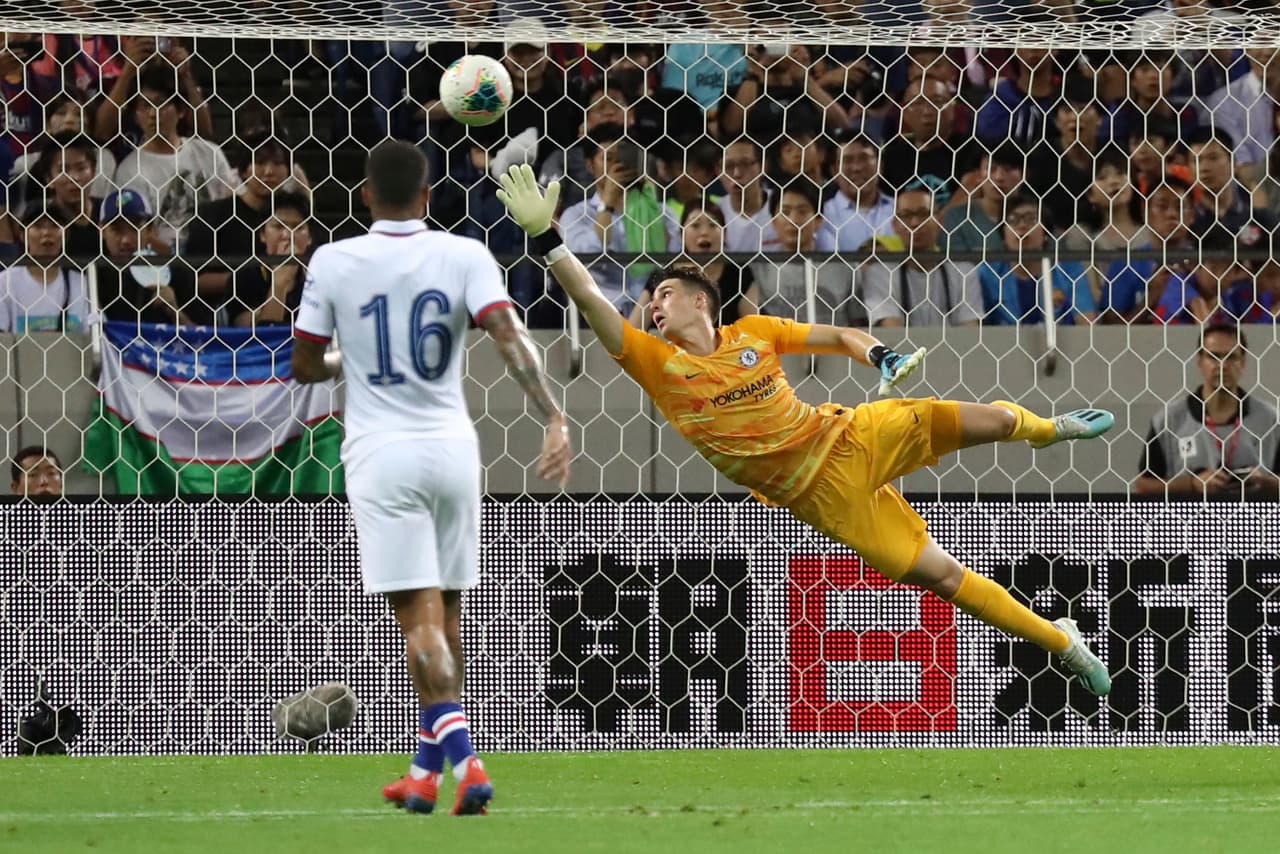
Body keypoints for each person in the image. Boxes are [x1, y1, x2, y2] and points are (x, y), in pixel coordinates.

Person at [498, 161, 1116, 700]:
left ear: (700, 301)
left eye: (662, 294)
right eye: (651, 301)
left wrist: (882, 357)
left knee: (994, 421)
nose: (652, 307)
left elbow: (843, 335)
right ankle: (1063, 642)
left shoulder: (756, 333)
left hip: (849, 435)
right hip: (827, 499)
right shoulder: (659, 366)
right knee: (947, 579)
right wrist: (547, 237)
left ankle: (1045, 429)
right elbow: (589, 299)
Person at [291, 142, 572, 816]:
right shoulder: (465, 254)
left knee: (418, 619)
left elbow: (303, 366)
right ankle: (424, 773)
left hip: (382, 454)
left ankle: (466, 762)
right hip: (453, 450)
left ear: (364, 195)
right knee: (449, 616)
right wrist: (555, 416)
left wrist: (347, 355)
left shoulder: (334, 260)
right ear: (426, 197)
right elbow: (509, 336)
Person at [1137, 323, 1279, 499]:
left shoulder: (1271, 419)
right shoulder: (1169, 419)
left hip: (1255, 523)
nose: (1222, 364)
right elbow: (1143, 485)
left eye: (1231, 357)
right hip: (1189, 524)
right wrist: (1192, 484)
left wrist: (1263, 482)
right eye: (1214, 356)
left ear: (1243, 363)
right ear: (1200, 362)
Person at [743, 177, 862, 326]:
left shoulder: (845, 267)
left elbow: (858, 322)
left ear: (818, 220)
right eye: (785, 212)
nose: (793, 220)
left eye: (802, 211)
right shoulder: (760, 268)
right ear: (773, 221)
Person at [861, 179, 981, 328]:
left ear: (940, 221)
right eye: (906, 215)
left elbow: (969, 330)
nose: (915, 223)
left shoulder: (963, 272)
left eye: (924, 214)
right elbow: (892, 329)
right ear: (895, 225)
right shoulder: (880, 273)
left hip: (955, 350)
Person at [978, 193, 1097, 326]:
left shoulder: (1069, 270)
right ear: (1003, 234)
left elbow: (1087, 325)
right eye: (1013, 220)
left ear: (1045, 233)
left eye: (1031, 219)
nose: (1022, 225)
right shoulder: (988, 273)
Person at [227, 191, 313, 328]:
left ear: (309, 238)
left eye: (298, 227)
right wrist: (279, 283)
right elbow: (258, 336)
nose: (288, 235)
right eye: (279, 226)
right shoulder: (244, 275)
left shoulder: (318, 276)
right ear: (262, 235)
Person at [0, 208, 91, 333]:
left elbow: (92, 334)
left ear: (66, 235)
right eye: (38, 226)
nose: (47, 233)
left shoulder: (80, 283)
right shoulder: (5, 282)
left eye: (55, 226)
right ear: (22, 235)